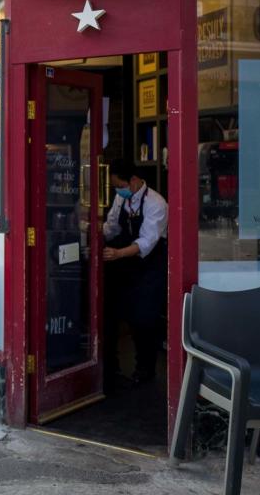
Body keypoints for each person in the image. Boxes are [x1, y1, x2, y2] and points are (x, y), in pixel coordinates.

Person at [102, 159, 168, 386]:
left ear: (133, 180)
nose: (117, 190)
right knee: (116, 312)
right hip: (126, 264)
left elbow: (147, 242)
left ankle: (146, 368)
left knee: (145, 317)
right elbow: (112, 227)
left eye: (119, 185)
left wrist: (118, 253)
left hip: (149, 265)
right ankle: (112, 367)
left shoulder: (156, 203)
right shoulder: (122, 197)